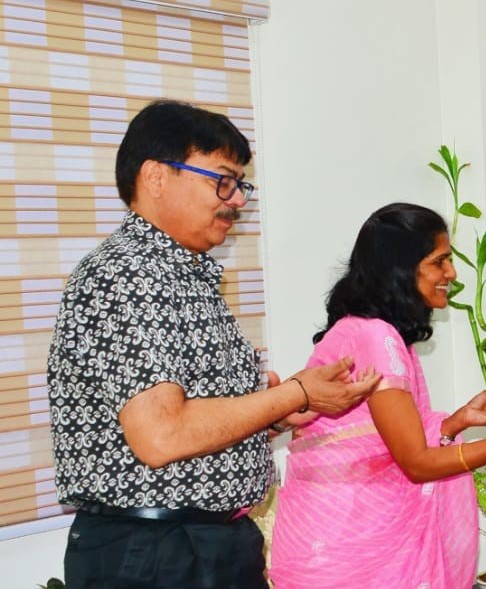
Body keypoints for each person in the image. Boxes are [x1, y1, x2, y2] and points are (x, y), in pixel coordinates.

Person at [47, 100, 381, 589]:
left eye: (240, 184)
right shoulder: (129, 276)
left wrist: (275, 412)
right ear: (156, 177)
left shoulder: (183, 276)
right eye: (221, 180)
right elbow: (162, 437)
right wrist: (295, 394)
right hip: (157, 552)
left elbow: (192, 423)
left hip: (199, 546)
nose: (237, 200)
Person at [269, 203, 486, 589]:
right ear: (401, 270)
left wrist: (455, 422)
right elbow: (417, 463)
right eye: (439, 262)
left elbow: (377, 437)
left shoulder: (369, 331)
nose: (451, 274)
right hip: (356, 555)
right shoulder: (376, 337)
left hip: (346, 546)